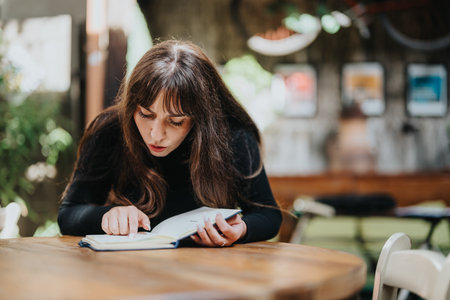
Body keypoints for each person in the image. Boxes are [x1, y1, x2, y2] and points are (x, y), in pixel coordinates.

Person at [58, 40, 282, 247]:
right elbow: (68, 215)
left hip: (207, 274)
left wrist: (241, 229)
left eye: (175, 121)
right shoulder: (109, 131)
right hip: (127, 272)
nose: (156, 134)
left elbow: (269, 216)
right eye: (145, 114)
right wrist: (107, 215)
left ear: (200, 118)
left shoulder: (233, 138)